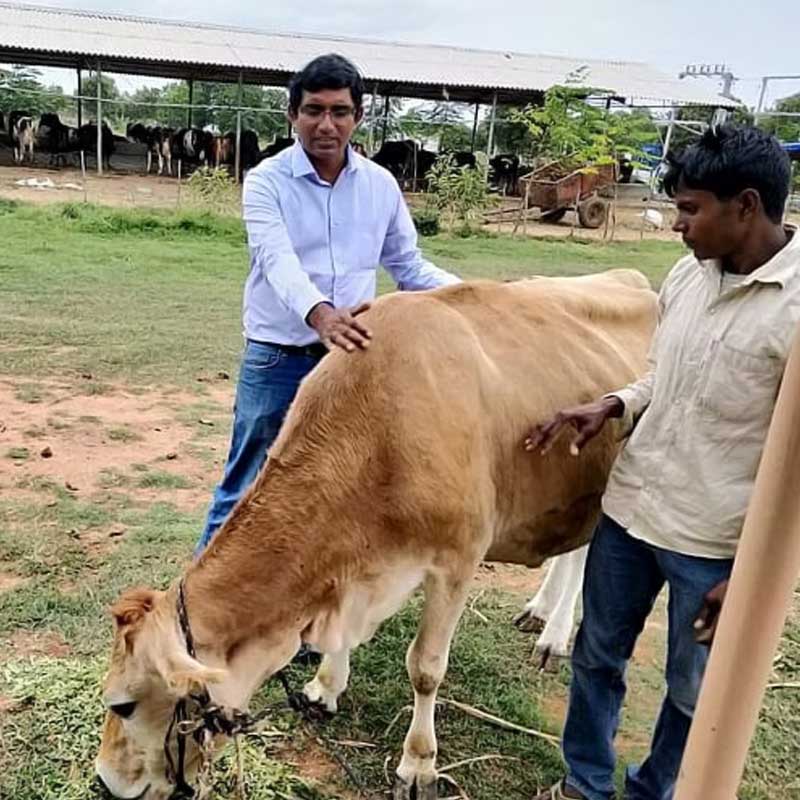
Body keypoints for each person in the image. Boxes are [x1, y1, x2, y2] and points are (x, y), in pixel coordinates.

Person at [526, 125, 799, 800]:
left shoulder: (794, 308)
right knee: (595, 656)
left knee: (690, 687)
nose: (676, 225)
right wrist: (615, 403)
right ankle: (583, 784)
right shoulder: (685, 274)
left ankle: (655, 790)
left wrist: (753, 573)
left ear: (746, 206)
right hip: (631, 509)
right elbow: (662, 376)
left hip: (713, 542)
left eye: (690, 209)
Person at [196, 53, 459, 555]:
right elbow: (277, 261)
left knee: (341, 489)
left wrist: (477, 296)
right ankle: (198, 616)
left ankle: (314, 621)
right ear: (292, 114)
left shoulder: (380, 186)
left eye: (340, 111)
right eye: (314, 110)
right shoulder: (267, 181)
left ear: (358, 118)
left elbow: (409, 266)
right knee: (246, 484)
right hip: (278, 355)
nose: (326, 124)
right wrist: (321, 315)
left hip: (352, 362)